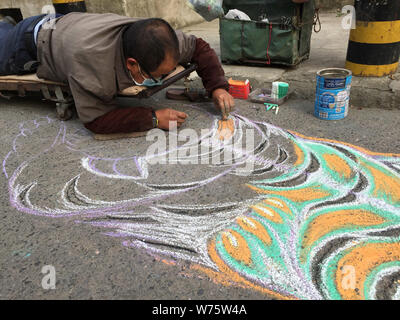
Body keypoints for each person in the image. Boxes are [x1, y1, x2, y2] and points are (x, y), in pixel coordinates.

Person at [0, 13, 235, 134]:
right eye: (158, 75)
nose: (162, 79)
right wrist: (152, 118)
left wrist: (217, 86)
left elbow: (199, 47)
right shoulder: (92, 65)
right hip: (29, 42)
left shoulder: (158, 40)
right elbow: (96, 120)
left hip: (67, 24)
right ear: (131, 64)